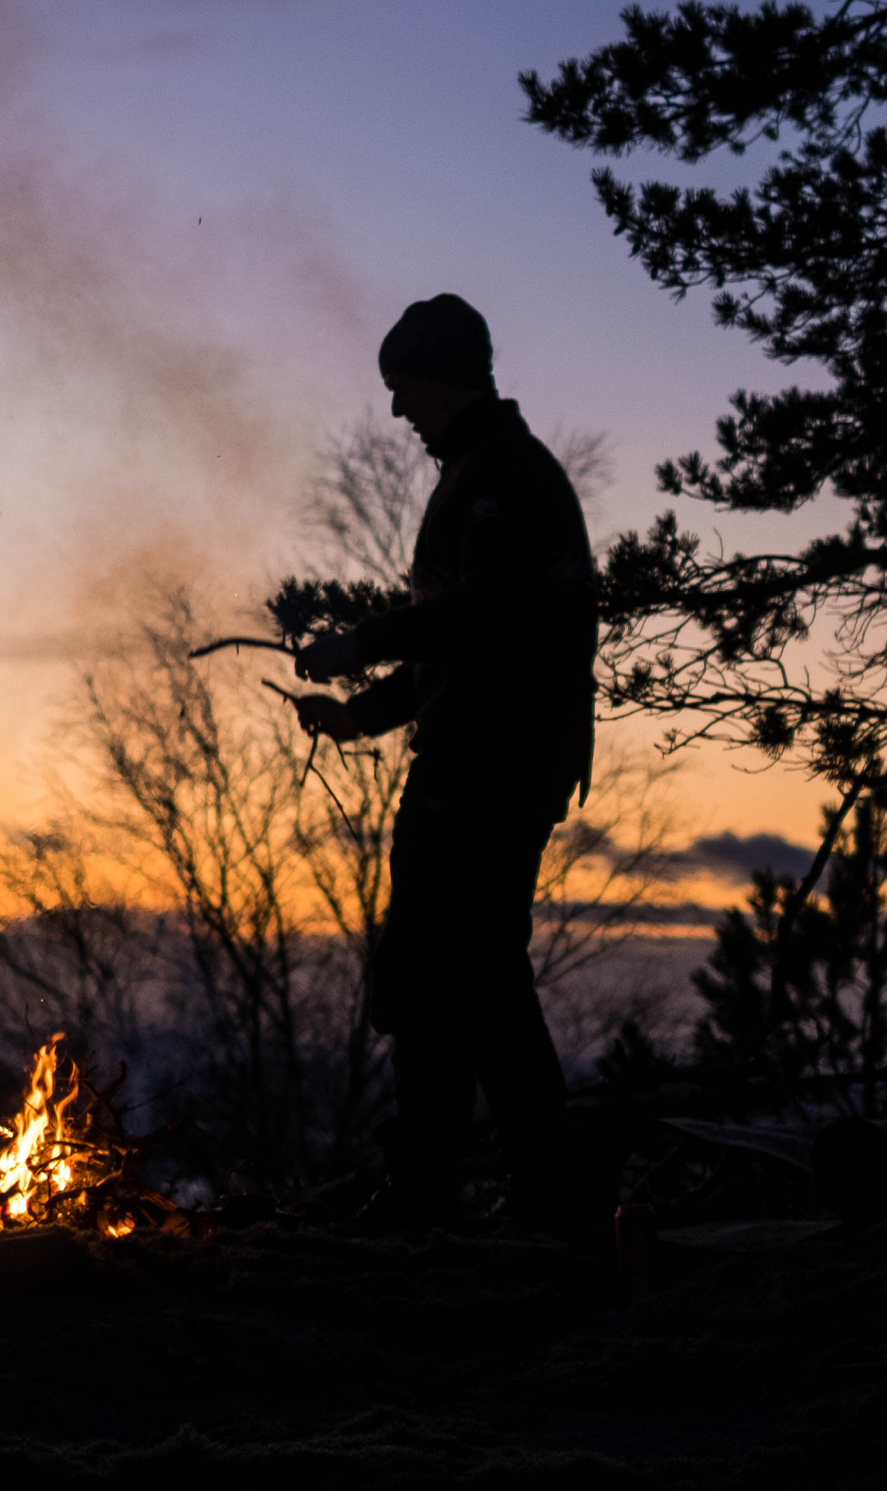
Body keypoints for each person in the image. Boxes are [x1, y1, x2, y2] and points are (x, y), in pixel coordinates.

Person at [288, 292, 597, 1230]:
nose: (397, 410)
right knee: (451, 971)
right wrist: (359, 716)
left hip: (489, 769)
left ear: (449, 379)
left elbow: (482, 615)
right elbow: (456, 650)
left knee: (455, 972)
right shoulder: (480, 471)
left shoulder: (505, 477)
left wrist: (362, 641)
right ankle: (477, 1184)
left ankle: (482, 1189)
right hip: (482, 760)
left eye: (406, 388)